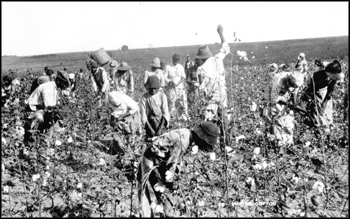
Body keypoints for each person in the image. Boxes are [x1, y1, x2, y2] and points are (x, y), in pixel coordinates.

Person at [137, 121, 220, 217]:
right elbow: (171, 163)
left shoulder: (187, 134)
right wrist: (171, 183)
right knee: (149, 188)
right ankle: (146, 215)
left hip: (160, 158)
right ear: (201, 138)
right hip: (152, 157)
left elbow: (173, 160)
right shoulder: (183, 141)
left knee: (163, 191)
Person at [195, 24, 231, 147]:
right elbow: (225, 46)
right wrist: (221, 33)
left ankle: (209, 146)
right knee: (224, 120)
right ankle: (226, 145)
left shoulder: (200, 69)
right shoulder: (217, 59)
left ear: (200, 58)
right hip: (222, 95)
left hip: (211, 99)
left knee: (209, 122)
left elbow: (201, 89)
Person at [23, 72, 68, 144]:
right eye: (63, 83)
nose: (64, 86)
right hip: (33, 111)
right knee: (48, 124)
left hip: (38, 109)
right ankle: (36, 141)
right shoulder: (49, 88)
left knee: (53, 123)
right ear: (59, 81)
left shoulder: (53, 87)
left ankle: (43, 140)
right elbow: (50, 108)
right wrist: (61, 118)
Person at [301, 60, 345, 130]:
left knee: (325, 112)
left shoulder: (332, 75)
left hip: (325, 94)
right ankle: (318, 127)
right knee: (317, 113)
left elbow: (330, 90)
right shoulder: (318, 76)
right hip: (316, 94)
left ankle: (325, 127)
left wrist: (325, 102)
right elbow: (310, 88)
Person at [264, 72, 299, 148]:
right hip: (273, 96)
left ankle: (288, 141)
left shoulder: (298, 79)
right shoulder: (278, 81)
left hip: (284, 97)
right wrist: (283, 109)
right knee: (277, 117)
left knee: (288, 119)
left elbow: (295, 93)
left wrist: (294, 104)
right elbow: (274, 100)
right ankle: (277, 141)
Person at [105, 91, 142, 156]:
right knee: (118, 133)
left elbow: (135, 109)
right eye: (115, 105)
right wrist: (113, 119)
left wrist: (123, 116)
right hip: (118, 116)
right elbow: (110, 111)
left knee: (132, 132)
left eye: (118, 105)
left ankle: (134, 149)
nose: (117, 106)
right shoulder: (107, 102)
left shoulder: (126, 100)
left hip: (130, 113)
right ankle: (120, 149)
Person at [163, 54, 188, 120]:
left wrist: (178, 83)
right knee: (172, 102)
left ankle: (184, 117)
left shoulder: (180, 67)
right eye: (175, 60)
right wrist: (169, 82)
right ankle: (172, 118)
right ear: (172, 59)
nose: (176, 61)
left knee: (182, 102)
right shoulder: (168, 67)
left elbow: (183, 77)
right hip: (171, 88)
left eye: (178, 60)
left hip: (180, 88)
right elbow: (164, 77)